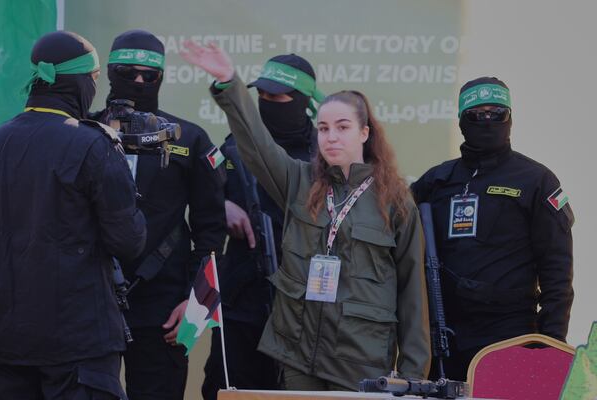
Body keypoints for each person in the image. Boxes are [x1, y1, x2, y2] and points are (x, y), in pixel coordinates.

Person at [182, 42, 430, 391]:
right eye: (324, 128)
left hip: (359, 361)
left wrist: (413, 375)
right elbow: (256, 144)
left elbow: (412, 293)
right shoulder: (300, 181)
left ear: (364, 132)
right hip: (298, 356)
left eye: (342, 127)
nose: (331, 137)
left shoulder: (395, 200)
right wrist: (229, 83)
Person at [0, 31, 146, 399]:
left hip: (7, 341)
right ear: (82, 82)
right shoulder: (94, 144)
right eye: (94, 79)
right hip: (80, 342)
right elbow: (128, 240)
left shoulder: (1, 140)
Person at [410, 77, 575, 381]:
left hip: (510, 336)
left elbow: (557, 269)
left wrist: (552, 344)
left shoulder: (537, 180)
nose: (487, 121)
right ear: (461, 121)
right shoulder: (435, 182)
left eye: (496, 113)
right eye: (476, 114)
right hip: (444, 338)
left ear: (510, 118)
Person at [92, 30, 227, 400]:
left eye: (148, 75)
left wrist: (196, 302)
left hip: (165, 307)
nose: (137, 82)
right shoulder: (83, 133)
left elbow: (211, 231)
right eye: (127, 72)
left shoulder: (189, 139)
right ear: (109, 72)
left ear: (161, 78)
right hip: (89, 300)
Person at [202, 54, 319, 400]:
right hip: (240, 304)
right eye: (262, 97)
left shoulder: (322, 155)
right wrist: (220, 206)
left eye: (277, 98)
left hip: (303, 311)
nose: (267, 104)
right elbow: (202, 194)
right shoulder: (236, 145)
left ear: (301, 101)